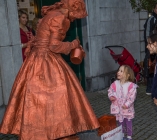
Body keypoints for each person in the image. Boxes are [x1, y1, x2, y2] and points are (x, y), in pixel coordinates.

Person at [0, 0, 99, 140]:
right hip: (46, 60)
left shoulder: (52, 14)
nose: (76, 18)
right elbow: (54, 46)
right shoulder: (60, 18)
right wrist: (73, 44)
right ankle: (58, 131)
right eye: (77, 15)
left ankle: (42, 132)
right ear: (71, 10)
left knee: (37, 100)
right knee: (59, 96)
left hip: (35, 60)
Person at [108, 65, 137, 140]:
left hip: (127, 108)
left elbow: (132, 97)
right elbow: (110, 91)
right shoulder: (115, 84)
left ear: (127, 75)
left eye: (121, 71)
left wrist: (127, 104)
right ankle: (121, 134)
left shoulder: (131, 86)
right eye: (118, 70)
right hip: (118, 108)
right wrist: (111, 96)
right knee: (120, 122)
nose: (118, 72)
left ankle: (129, 136)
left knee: (128, 122)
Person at [143, 2, 157, 95]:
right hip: (152, 47)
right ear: (154, 9)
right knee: (151, 66)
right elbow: (147, 34)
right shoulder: (151, 19)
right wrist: (150, 46)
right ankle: (150, 88)